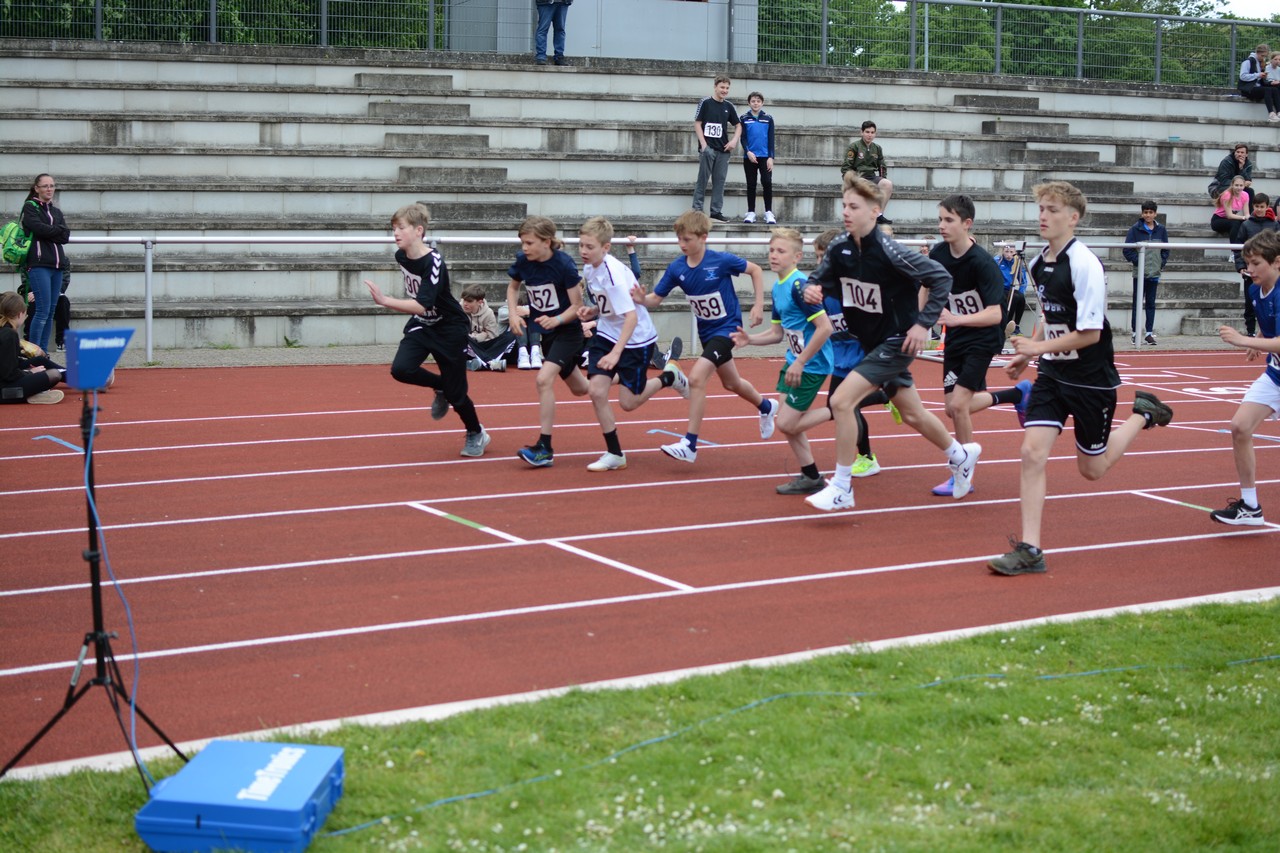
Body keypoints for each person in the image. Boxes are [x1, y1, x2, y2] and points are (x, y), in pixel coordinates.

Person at [988, 181, 1174, 576]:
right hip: (1053, 374)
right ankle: (1030, 549)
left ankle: (1142, 413)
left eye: (1052, 210)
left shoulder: (1085, 264)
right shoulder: (1037, 263)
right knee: (1031, 453)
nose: (1043, 216)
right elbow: (1049, 314)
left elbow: (1089, 333)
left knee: (1092, 470)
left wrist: (1037, 347)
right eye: (1041, 208)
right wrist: (1029, 352)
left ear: (1073, 218)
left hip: (1091, 378)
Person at [800, 174, 975, 512]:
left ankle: (841, 487)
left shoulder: (891, 251)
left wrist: (922, 324)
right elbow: (818, 278)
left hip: (897, 340)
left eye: (854, 207)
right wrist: (812, 288)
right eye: (844, 206)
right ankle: (960, 455)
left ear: (874, 211)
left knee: (841, 401)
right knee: (912, 413)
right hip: (871, 342)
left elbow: (941, 278)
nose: (846, 212)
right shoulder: (839, 247)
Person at [633, 209, 773, 463]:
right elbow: (656, 299)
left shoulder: (720, 261)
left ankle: (690, 444)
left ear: (703, 237)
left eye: (687, 239)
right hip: (707, 333)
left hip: (728, 329)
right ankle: (767, 407)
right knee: (732, 383)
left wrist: (757, 304)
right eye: (679, 239)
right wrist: (642, 299)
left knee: (697, 378)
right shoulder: (677, 268)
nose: (682, 244)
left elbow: (755, 270)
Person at [364, 204, 490, 458]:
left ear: (418, 230)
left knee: (457, 394)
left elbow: (422, 303)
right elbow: (420, 308)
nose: (395, 233)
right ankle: (441, 386)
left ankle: (476, 432)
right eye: (393, 228)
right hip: (423, 324)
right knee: (401, 369)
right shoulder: (401, 256)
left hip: (449, 328)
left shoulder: (434, 262)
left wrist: (385, 300)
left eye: (401, 228)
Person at [577, 216, 689, 472]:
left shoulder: (613, 274)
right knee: (596, 391)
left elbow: (631, 317)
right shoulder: (589, 268)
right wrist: (593, 311)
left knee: (628, 403)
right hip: (607, 333)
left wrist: (616, 354)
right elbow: (610, 305)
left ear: (606, 248)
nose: (583, 251)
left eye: (589, 247)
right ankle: (615, 453)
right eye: (581, 245)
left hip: (636, 339)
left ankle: (669, 377)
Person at [730, 228, 834, 493]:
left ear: (797, 257)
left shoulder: (800, 287)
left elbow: (825, 328)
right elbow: (777, 333)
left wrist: (800, 362)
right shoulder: (778, 288)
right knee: (789, 424)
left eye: (781, 251)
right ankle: (811, 475)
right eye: (771, 250)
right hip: (794, 361)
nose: (773, 256)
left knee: (786, 423)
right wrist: (750, 340)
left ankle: (842, 408)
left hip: (811, 364)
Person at [928, 194, 1014, 498]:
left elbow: (996, 315)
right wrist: (920, 320)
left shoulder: (982, 263)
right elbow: (925, 285)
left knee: (959, 405)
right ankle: (1015, 395)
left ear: (967, 224)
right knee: (951, 408)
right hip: (957, 336)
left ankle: (961, 473)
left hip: (984, 336)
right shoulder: (939, 254)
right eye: (940, 219)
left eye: (949, 220)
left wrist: (955, 318)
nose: (942, 225)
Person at [506, 215, 589, 467]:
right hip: (548, 334)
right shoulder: (523, 261)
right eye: (522, 242)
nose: (524, 248)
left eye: (529, 243)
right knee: (582, 388)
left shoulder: (564, 265)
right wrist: (513, 314)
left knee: (543, 379)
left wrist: (557, 320)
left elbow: (577, 306)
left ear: (546, 241)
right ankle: (625, 376)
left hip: (568, 332)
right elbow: (513, 287)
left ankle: (544, 448)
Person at [1210, 228, 1280, 526]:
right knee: (1240, 427)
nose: (1249, 269)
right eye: (1247, 263)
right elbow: (1271, 321)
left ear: (1277, 262)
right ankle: (1250, 506)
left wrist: (1245, 340)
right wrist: (1260, 338)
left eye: (1256, 263)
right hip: (1276, 375)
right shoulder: (1254, 290)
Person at [20, 173, 70, 357]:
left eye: (52, 186)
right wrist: (55, 231)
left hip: (57, 266)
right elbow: (38, 229)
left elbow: (65, 236)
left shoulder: (56, 211)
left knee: (50, 311)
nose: (49, 189)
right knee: (41, 311)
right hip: (39, 264)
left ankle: (43, 354)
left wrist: (51, 232)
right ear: (37, 188)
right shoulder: (30, 207)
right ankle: (34, 354)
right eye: (45, 186)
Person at [691, 74, 741, 223]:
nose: (724, 90)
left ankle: (716, 211)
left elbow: (738, 125)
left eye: (727, 88)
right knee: (702, 180)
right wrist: (704, 144)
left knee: (719, 181)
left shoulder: (729, 106)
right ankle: (697, 210)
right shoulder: (705, 102)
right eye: (722, 87)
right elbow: (697, 123)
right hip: (708, 149)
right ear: (715, 87)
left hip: (723, 151)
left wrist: (734, 141)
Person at [0, 291, 64, 404]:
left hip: (5, 381)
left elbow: (9, 362)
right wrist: (30, 372)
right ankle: (28, 394)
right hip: (4, 390)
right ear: (20, 314)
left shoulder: (6, 330)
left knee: (39, 360)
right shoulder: (9, 334)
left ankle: (79, 377)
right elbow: (8, 374)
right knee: (54, 375)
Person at [1122, 200, 1169, 346]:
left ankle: (1149, 333)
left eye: (1151, 212)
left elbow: (1166, 249)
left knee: (1150, 303)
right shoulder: (1135, 229)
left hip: (1154, 273)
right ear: (1142, 213)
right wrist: (1139, 262)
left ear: (1155, 213)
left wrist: (1160, 263)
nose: (1148, 215)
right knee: (1137, 303)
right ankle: (1135, 333)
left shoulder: (1161, 230)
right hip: (1140, 273)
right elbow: (1127, 250)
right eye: (1145, 212)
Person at [1232, 192, 1278, 337]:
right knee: (1251, 302)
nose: (1259, 209)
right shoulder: (1246, 224)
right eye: (1256, 206)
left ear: (1267, 207)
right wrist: (1241, 266)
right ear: (1253, 206)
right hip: (1250, 271)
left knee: (1272, 302)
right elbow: (1238, 247)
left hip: (1270, 272)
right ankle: (1251, 331)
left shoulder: (1274, 225)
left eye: (1262, 206)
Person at [840, 121, 893, 225]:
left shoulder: (877, 148)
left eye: (872, 132)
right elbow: (846, 167)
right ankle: (863, 215)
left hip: (872, 176)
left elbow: (882, 165)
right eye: (867, 132)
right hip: (858, 176)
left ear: (875, 134)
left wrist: (882, 178)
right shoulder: (854, 147)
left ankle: (878, 215)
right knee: (863, 183)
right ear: (862, 132)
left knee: (887, 184)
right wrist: (850, 180)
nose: (870, 135)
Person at [739, 91, 777, 226]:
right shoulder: (744, 118)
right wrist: (748, 152)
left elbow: (771, 139)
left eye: (758, 101)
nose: (756, 103)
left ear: (762, 103)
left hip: (765, 156)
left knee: (767, 182)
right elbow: (743, 137)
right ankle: (751, 212)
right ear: (749, 103)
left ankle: (768, 212)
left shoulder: (768, 118)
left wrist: (771, 157)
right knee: (751, 184)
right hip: (750, 157)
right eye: (753, 101)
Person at [460, 283, 516, 371]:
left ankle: (479, 362)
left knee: (512, 334)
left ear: (480, 302)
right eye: (464, 300)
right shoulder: (458, 311)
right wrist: (479, 336)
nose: (465, 304)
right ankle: (490, 362)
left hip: (484, 347)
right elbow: (458, 334)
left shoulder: (488, 313)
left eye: (469, 301)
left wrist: (479, 338)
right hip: (467, 348)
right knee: (463, 337)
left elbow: (492, 337)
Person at [997, 244, 1030, 336]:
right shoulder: (997, 261)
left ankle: (1016, 326)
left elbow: (1023, 280)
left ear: (1015, 253)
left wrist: (1021, 292)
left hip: (1009, 288)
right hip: (998, 288)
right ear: (1002, 251)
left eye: (1011, 252)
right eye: (1006, 252)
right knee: (1014, 297)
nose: (1009, 254)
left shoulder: (1017, 262)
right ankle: (1007, 324)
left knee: (1020, 297)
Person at [1211, 175, 1250, 242]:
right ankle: (1235, 247)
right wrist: (1244, 218)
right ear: (1232, 185)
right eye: (1236, 185)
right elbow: (1229, 215)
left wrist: (1248, 218)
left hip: (1230, 220)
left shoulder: (1245, 195)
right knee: (1236, 223)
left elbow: (1247, 213)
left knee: (1247, 224)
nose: (1239, 188)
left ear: (1244, 186)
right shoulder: (1227, 195)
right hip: (1218, 220)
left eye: (1241, 185)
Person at [534, 0, 572, 66]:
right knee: (545, 29)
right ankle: (543, 57)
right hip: (546, 2)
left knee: (558, 30)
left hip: (562, 2)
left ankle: (557, 57)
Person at [1262, 51, 1280, 121]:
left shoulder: (1279, 69)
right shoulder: (1266, 68)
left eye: (1279, 59)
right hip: (1269, 86)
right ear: (1271, 60)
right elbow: (1264, 81)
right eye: (1275, 59)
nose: (1277, 61)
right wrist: (1271, 82)